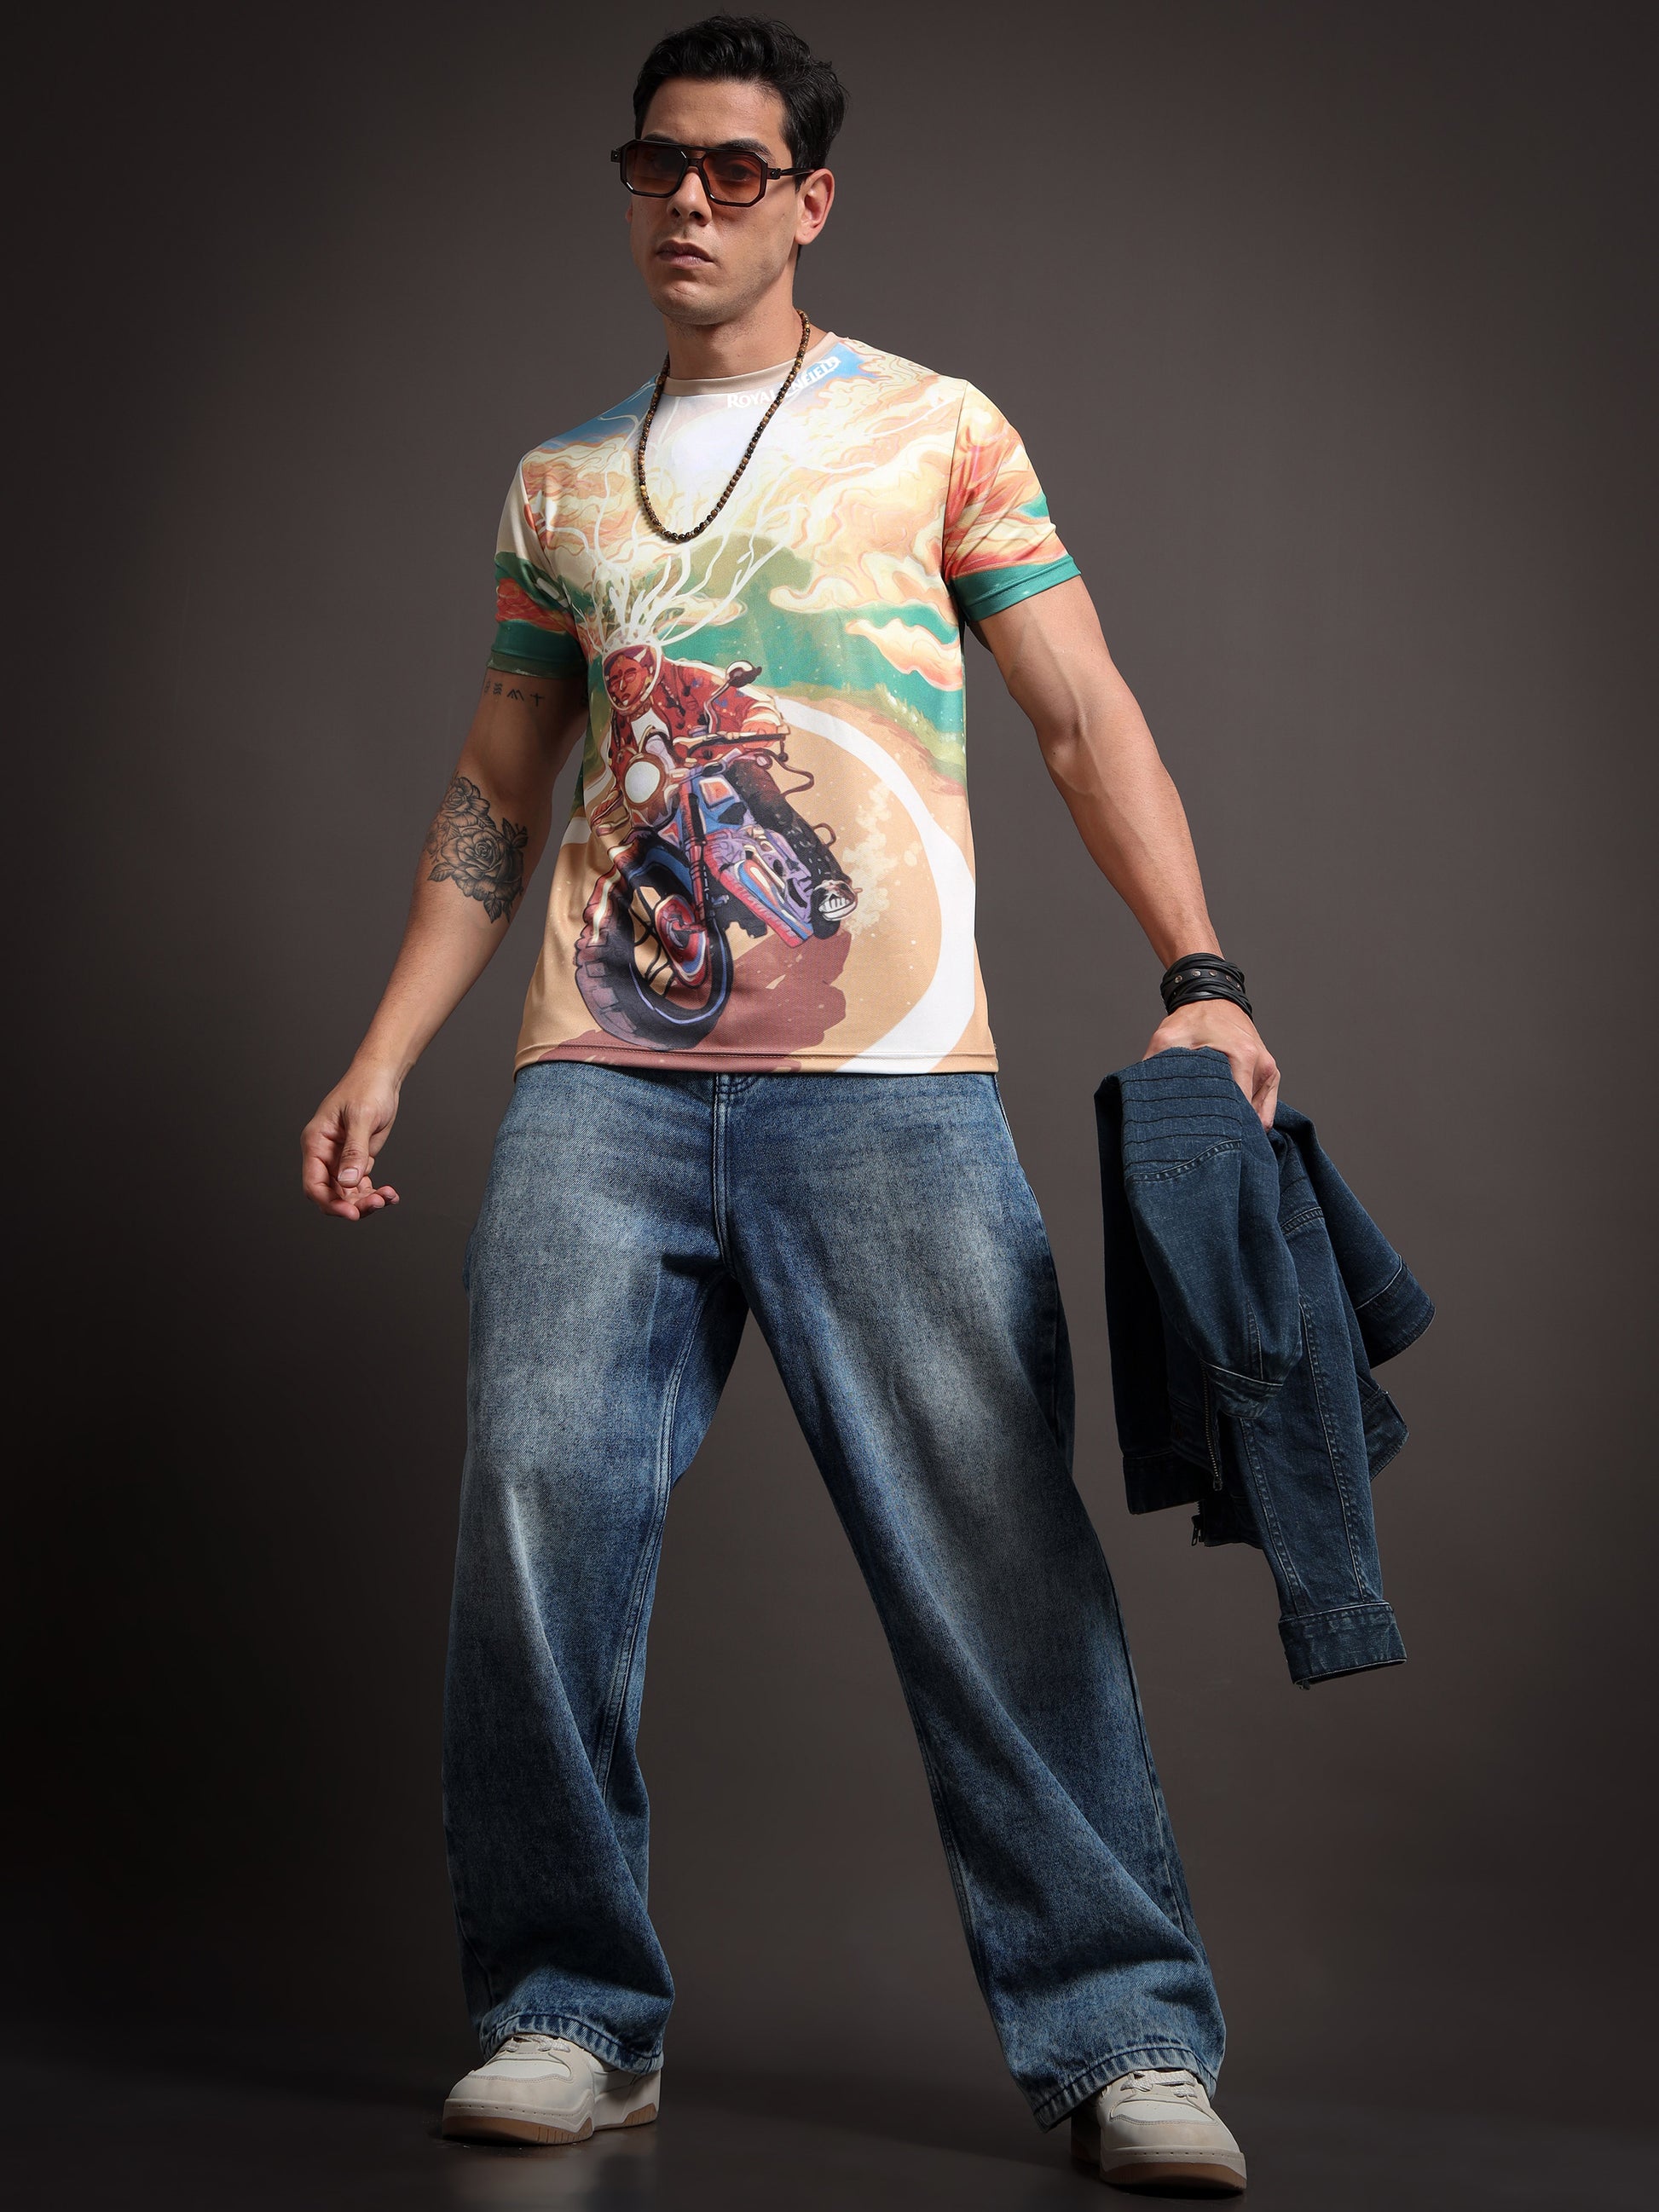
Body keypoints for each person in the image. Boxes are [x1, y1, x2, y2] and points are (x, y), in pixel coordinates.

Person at [300, 14, 1275, 2194]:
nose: (689, 200)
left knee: (996, 1557)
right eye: (657, 163)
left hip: (889, 1085)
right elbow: (494, 791)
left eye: (735, 169)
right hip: (603, 1082)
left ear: (809, 198)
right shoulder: (561, 486)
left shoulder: (935, 429)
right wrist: (386, 1050)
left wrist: (1198, 972)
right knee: (536, 1523)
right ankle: (567, 2009)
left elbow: (1080, 706)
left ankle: (1126, 2037)